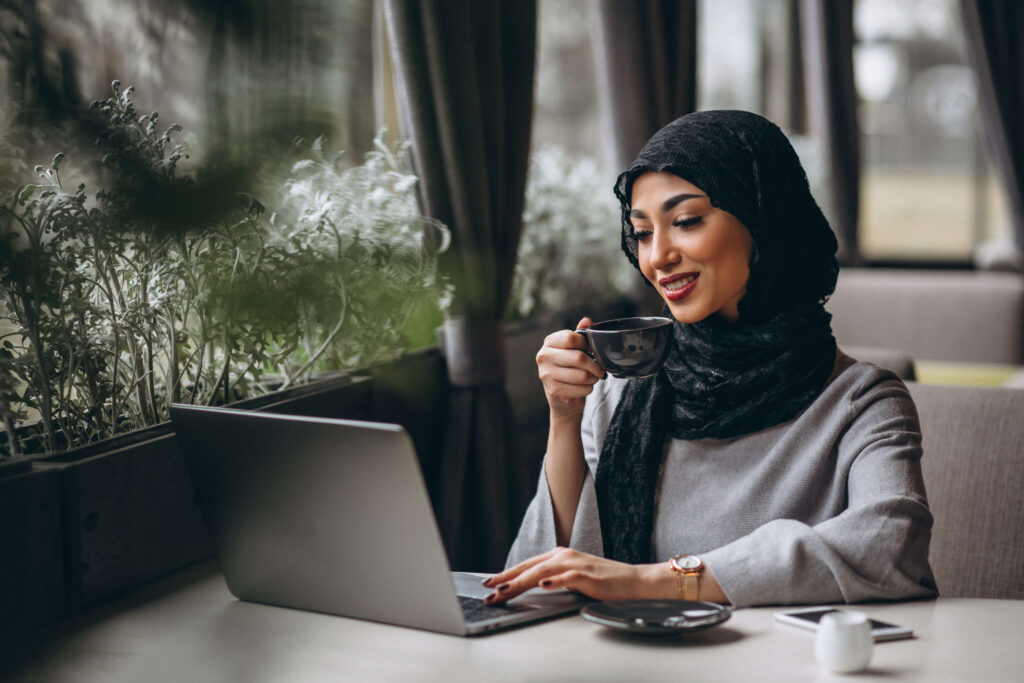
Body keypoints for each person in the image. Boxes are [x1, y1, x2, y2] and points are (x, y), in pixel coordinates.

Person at [483, 110, 938, 608]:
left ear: (763, 217)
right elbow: (536, 585)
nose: (657, 257)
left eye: (685, 222)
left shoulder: (861, 403)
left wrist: (652, 582)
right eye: (641, 233)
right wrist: (564, 418)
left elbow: (890, 547)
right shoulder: (621, 389)